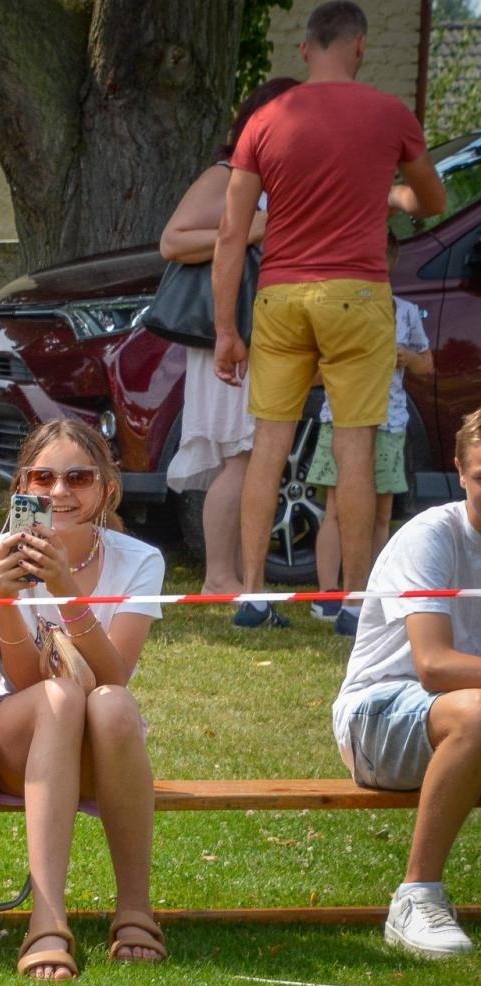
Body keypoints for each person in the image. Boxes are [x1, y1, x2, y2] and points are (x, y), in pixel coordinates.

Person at [211, 0, 446, 630]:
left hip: (282, 296)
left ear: (308, 49)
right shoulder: (390, 114)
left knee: (269, 444)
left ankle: (254, 594)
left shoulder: (265, 119)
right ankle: (354, 603)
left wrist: (226, 330)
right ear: (361, 46)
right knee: (356, 445)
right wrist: (390, 192)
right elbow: (433, 198)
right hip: (358, 294)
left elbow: (232, 233)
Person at [0, 419, 167, 981]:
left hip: (102, 746)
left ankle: (135, 909)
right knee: (58, 698)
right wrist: (7, 601)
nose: (59, 492)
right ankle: (46, 920)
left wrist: (67, 595)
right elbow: (24, 681)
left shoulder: (139, 560)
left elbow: (113, 675)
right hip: (21, 738)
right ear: (21, 488)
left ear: (107, 488)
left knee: (112, 704)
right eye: (43, 477)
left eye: (78, 477)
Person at [332, 407, 481, 959]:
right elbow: (434, 665)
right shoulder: (431, 536)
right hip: (376, 719)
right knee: (476, 715)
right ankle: (416, 897)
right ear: (460, 473)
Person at [159, 77, 297, 596]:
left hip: (253, 330)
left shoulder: (267, 180)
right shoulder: (226, 175)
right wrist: (255, 226)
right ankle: (220, 576)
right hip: (228, 330)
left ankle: (233, 573)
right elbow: (174, 240)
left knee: (251, 454)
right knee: (242, 455)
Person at [308, 232, 435, 634]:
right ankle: (328, 594)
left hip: (389, 421)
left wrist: (407, 356)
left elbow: (426, 364)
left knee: (381, 512)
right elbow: (312, 371)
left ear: (390, 265)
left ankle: (370, 592)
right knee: (335, 508)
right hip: (340, 419)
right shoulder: (335, 310)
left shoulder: (406, 312)